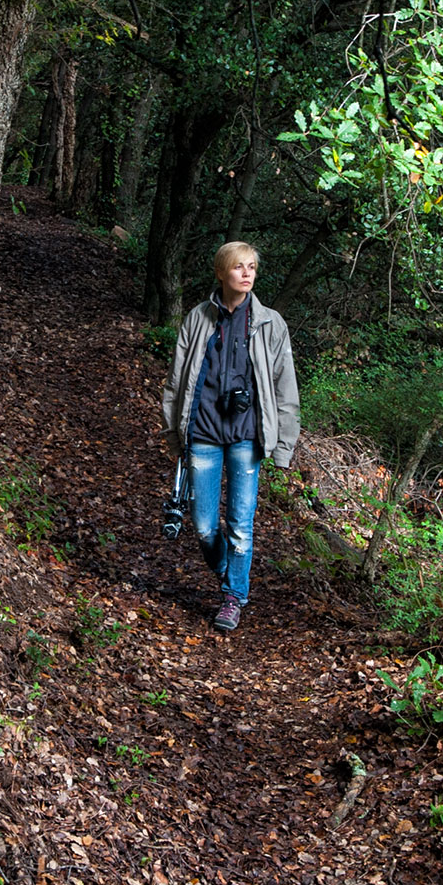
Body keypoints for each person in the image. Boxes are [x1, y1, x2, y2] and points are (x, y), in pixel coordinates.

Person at [160, 241, 300, 633]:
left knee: (241, 524)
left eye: (252, 267)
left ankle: (233, 597)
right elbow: (176, 382)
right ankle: (231, 575)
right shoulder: (197, 319)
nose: (247, 273)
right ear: (221, 273)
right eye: (239, 267)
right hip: (203, 431)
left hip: (246, 436)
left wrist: (284, 447)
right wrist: (174, 436)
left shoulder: (270, 323)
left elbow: (285, 389)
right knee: (204, 526)